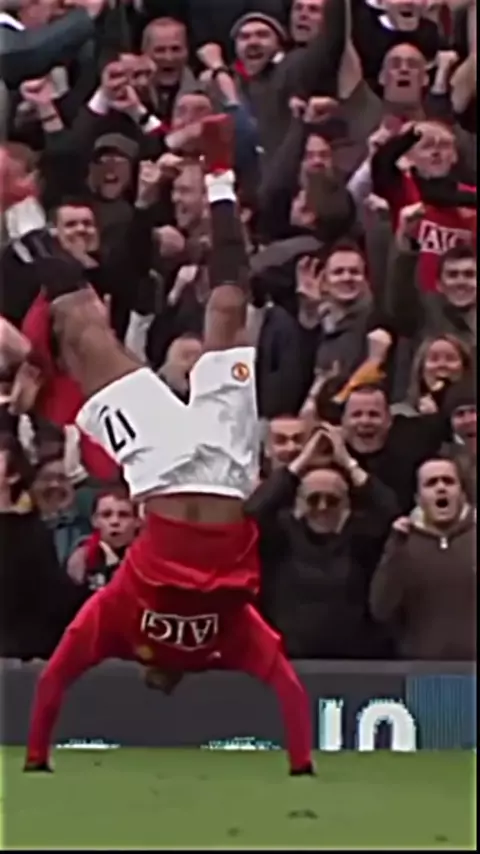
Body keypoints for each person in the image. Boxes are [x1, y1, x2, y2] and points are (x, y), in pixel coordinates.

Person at [1, 119, 315, 776]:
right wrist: (35, 757)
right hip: (178, 469)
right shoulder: (142, 628)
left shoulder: (203, 636)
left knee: (217, 310)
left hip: (212, 472)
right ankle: (28, 214)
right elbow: (57, 675)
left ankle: (216, 176)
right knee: (94, 328)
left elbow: (288, 687)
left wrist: (300, 762)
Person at [369, 455, 476, 660]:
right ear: (418, 498)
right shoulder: (402, 541)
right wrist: (394, 549)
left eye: (448, 481)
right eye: (431, 483)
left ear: (462, 494)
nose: (441, 488)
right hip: (421, 667)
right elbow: (381, 609)